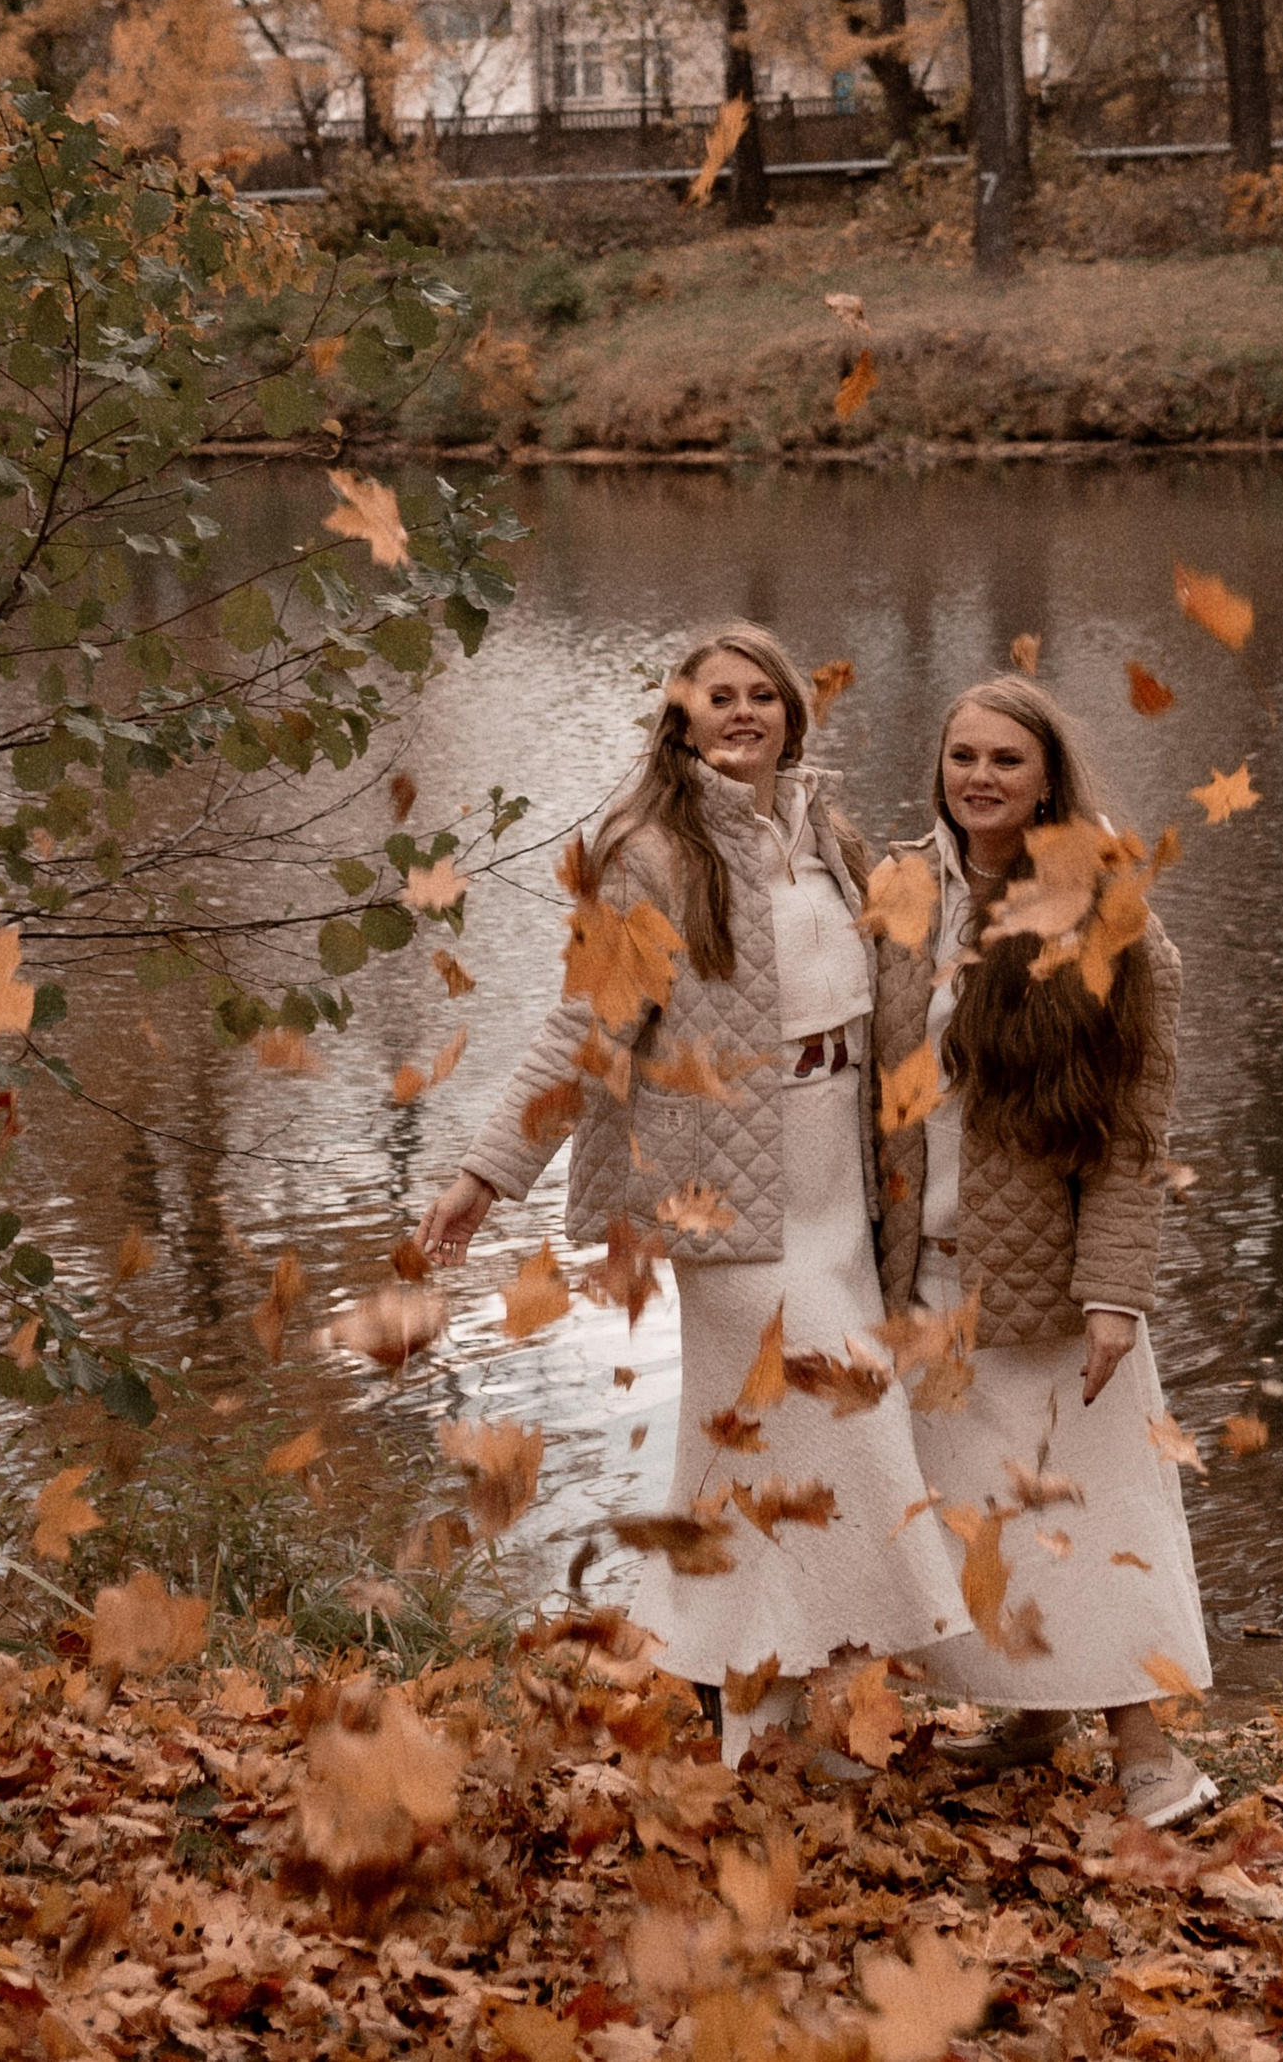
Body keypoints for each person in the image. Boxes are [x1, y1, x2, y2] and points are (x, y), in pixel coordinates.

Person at [423, 623, 967, 1761]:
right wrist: (487, 1172)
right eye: (717, 696)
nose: (742, 712)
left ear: (790, 715)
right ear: (680, 717)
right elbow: (584, 1022)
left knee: (766, 1459)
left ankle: (773, 1725)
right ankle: (756, 1701)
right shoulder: (653, 852)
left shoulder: (826, 832)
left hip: (837, 1176)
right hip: (724, 1195)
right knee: (842, 1428)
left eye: (762, 694)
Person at [871, 672, 1216, 1830]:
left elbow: (1135, 1133)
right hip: (921, 1271)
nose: (980, 778)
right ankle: (1029, 1718)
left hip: (1057, 1278)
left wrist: (1116, 1292)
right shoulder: (900, 897)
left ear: (1048, 778)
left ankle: (1148, 1751)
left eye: (1005, 761)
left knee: (1097, 1513)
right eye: (962, 756)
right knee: (973, 1511)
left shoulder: (1110, 917)